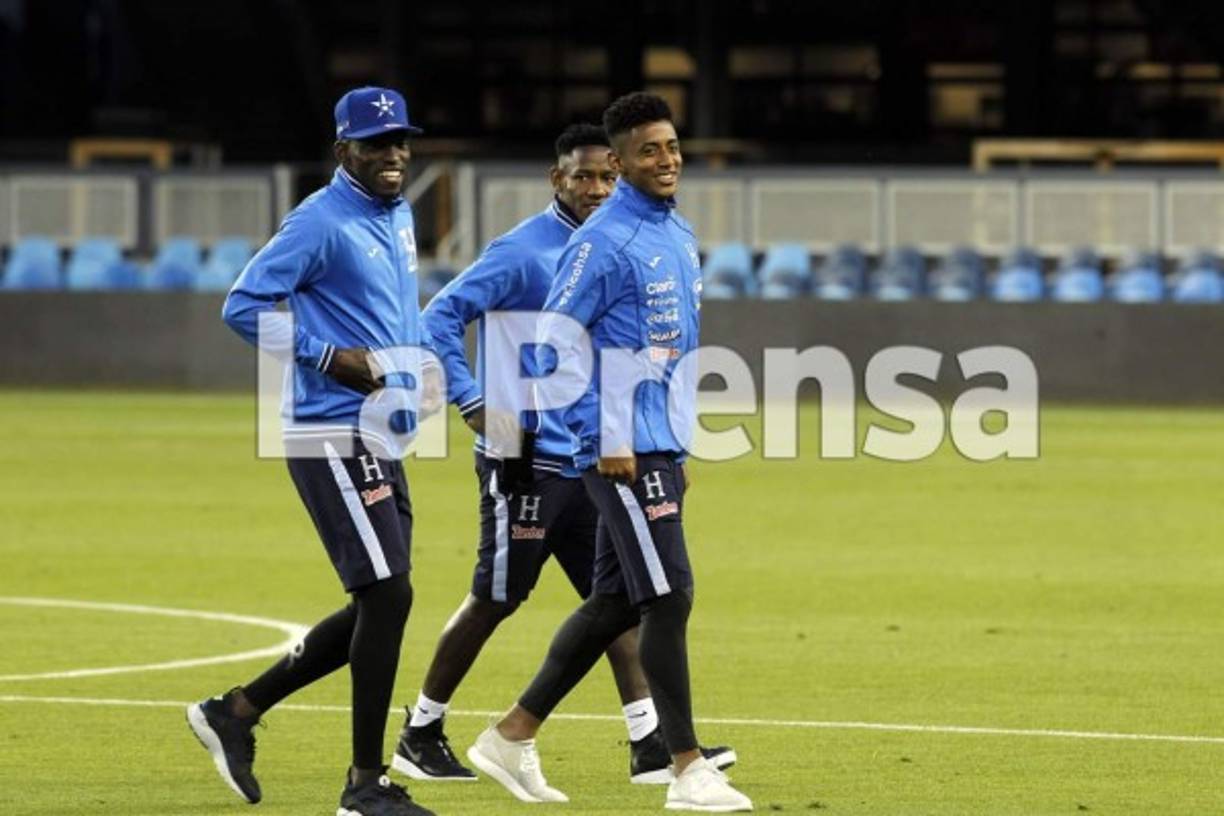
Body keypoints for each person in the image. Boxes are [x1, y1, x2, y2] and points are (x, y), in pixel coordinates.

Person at [391, 124, 733, 792]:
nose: (597, 189)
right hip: (527, 456)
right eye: (584, 177)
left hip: (595, 456)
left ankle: (648, 741)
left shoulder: (633, 242)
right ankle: (422, 730)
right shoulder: (523, 252)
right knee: (500, 596)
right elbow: (437, 318)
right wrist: (473, 404)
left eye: (608, 176)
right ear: (559, 179)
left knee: (620, 598)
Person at [187, 86, 436, 816]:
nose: (392, 154)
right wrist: (329, 357)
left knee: (379, 602)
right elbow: (241, 306)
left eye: (399, 140)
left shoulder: (399, 213)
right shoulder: (320, 221)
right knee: (387, 594)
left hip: (378, 429)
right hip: (328, 427)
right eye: (375, 143)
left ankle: (235, 711)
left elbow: (392, 315)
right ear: (342, 152)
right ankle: (364, 787)